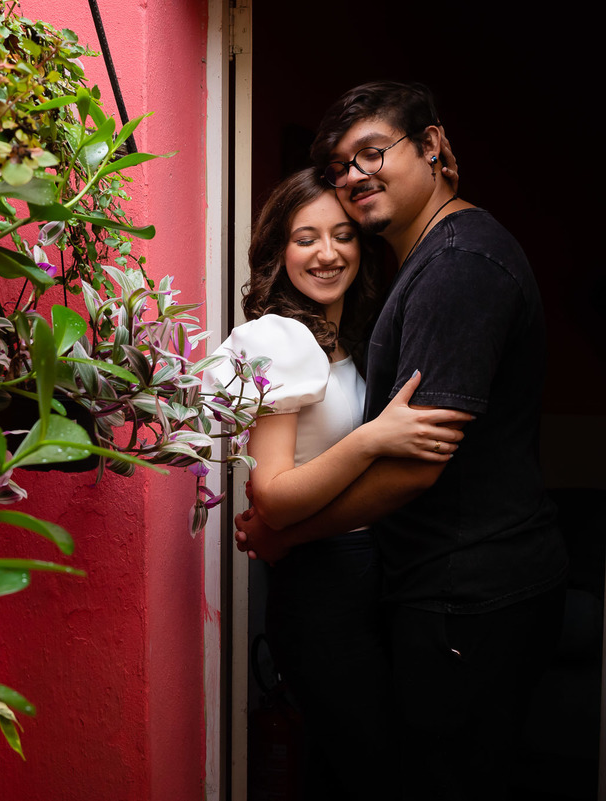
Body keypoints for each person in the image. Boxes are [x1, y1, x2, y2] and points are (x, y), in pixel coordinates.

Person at [236, 81, 569, 800]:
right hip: (416, 588)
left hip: (470, 588)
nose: (354, 176)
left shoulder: (457, 265)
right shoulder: (415, 272)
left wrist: (286, 531)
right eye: (339, 167)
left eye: (371, 153)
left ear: (435, 147)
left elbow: (418, 465)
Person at [213, 168, 470, 800]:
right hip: (322, 586)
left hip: (366, 573)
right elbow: (271, 491)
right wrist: (373, 438)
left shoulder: (348, 339)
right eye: (306, 238)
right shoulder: (279, 339)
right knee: (373, 769)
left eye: (343, 236)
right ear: (277, 251)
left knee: (354, 766)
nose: (328, 254)